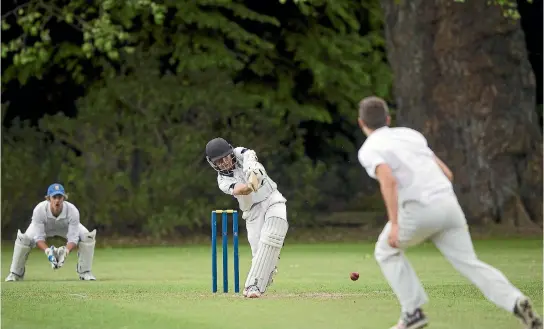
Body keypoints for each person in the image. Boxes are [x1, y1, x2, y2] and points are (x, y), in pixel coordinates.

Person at [356, 96, 542, 329]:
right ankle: (516, 301)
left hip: (417, 209)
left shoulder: (369, 148)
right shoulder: (410, 135)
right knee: (470, 263)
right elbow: (447, 173)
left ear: (361, 122)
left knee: (386, 252)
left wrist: (395, 224)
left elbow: (388, 180)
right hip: (448, 205)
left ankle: (413, 312)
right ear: (388, 118)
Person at [205, 137, 288, 298]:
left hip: (272, 198)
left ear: (230, 152)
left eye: (225, 157)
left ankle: (255, 281)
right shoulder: (222, 180)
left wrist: (253, 172)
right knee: (259, 252)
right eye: (219, 161)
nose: (224, 163)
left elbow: (251, 155)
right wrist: (250, 186)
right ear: (213, 164)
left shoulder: (240, 152)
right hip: (252, 212)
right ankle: (257, 284)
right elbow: (240, 190)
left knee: (273, 231)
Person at [5, 183, 97, 282]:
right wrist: (48, 252)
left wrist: (65, 252)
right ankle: (15, 273)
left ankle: (85, 272)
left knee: (88, 237)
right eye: (54, 197)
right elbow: (38, 237)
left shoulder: (72, 211)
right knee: (23, 239)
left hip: (65, 228)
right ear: (48, 199)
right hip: (45, 227)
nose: (57, 200)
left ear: (64, 198)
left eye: (60, 197)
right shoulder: (39, 210)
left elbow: (73, 238)